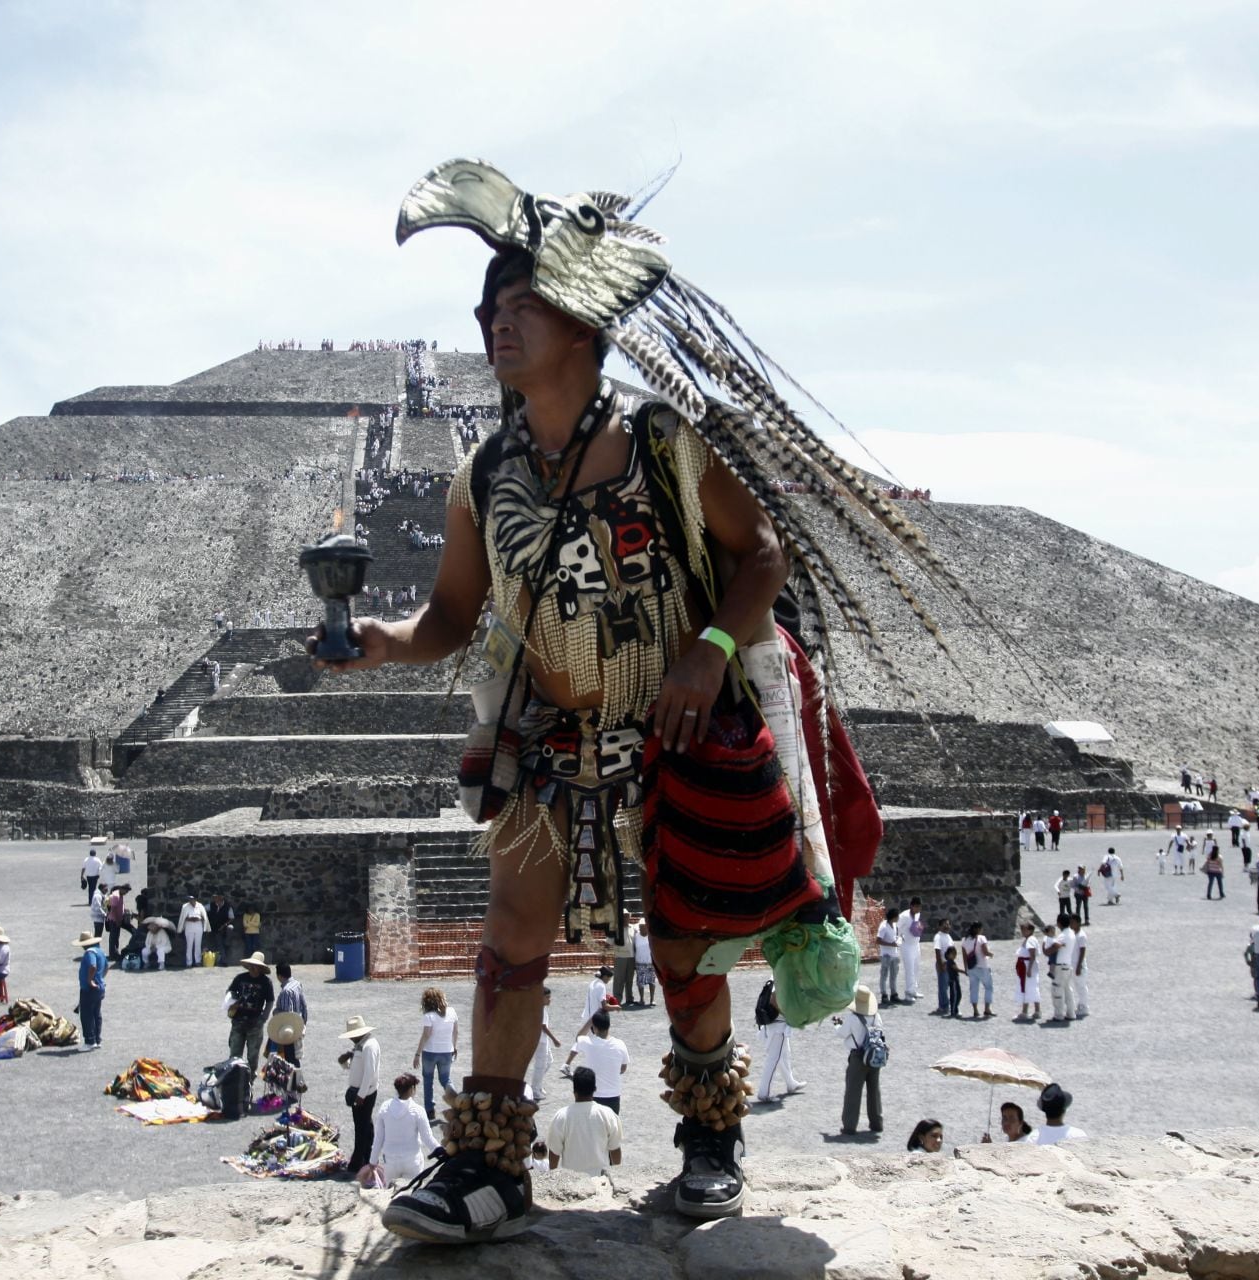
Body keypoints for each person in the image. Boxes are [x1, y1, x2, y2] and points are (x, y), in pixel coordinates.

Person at [361, 159, 913, 1242]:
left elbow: (764, 555)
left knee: (687, 939)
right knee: (512, 936)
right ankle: (486, 1161)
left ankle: (710, 1141)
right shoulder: (479, 475)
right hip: (545, 738)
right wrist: (377, 643)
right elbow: (449, 619)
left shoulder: (665, 443)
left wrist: (710, 648)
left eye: (518, 303)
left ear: (581, 319)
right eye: (486, 308)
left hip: (674, 729)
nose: (493, 323)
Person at [545, 1066, 623, 1176]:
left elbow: (554, 1152)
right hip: (600, 1179)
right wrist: (617, 1175)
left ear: (574, 1091)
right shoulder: (607, 1114)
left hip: (572, 1181)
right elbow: (615, 1148)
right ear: (595, 1089)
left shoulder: (561, 1116)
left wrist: (553, 1176)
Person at [372, 1073, 438, 1184]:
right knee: (411, 1195)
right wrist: (439, 1150)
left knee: (390, 1195)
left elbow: (378, 1138)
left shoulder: (384, 1107)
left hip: (390, 1161)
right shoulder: (418, 1110)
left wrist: (372, 1161)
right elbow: (427, 1138)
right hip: (412, 1161)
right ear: (412, 1089)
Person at [836, 986, 884, 1136]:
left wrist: (837, 1024)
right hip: (874, 1055)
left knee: (853, 1091)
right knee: (874, 1090)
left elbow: (842, 1034)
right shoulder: (876, 1016)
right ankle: (877, 1123)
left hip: (858, 1057)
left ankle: (849, 1126)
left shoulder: (852, 1018)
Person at [564, 1009, 630, 1112]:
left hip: (593, 1096)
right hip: (614, 1095)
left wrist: (591, 1019)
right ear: (609, 1025)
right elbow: (623, 1068)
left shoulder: (588, 1042)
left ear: (594, 1027)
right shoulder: (620, 1044)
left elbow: (578, 1038)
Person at [339, 1016, 381, 1176]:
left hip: (364, 1093)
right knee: (366, 1126)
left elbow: (369, 1073)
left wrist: (361, 1095)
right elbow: (356, 1068)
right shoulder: (361, 1045)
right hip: (361, 1091)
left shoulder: (368, 1047)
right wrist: (344, 1062)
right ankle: (368, 1157)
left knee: (361, 1128)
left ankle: (357, 1162)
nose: (350, 1038)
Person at [225, 951, 275, 1071]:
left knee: (252, 1057)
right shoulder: (240, 978)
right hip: (238, 1022)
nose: (253, 968)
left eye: (255, 966)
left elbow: (270, 1001)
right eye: (251, 965)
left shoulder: (266, 982)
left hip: (255, 1023)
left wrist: (263, 1018)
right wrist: (233, 1002)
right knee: (234, 1054)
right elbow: (229, 992)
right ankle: (234, 1079)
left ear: (260, 968)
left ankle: (249, 1081)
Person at [752, 977, 799, 1103]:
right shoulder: (782, 980)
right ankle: (764, 1093)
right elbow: (774, 999)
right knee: (773, 1059)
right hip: (779, 1026)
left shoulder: (775, 978)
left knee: (784, 1055)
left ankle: (791, 1083)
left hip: (772, 1025)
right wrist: (788, 1013)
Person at [413, 987, 460, 1098]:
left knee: (428, 1081)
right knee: (445, 1079)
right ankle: (457, 1100)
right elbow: (456, 1031)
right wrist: (454, 1047)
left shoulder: (428, 1016)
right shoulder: (452, 1011)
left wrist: (417, 1054)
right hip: (447, 1051)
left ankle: (430, 1109)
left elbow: (426, 1035)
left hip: (430, 1051)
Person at [74, 931, 107, 1051]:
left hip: (90, 989)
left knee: (87, 1014)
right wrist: (100, 978)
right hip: (100, 987)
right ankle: (97, 1039)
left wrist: (90, 981)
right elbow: (106, 967)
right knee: (96, 1014)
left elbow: (93, 966)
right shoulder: (100, 952)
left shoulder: (90, 953)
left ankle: (89, 1041)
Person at [528, 986, 562, 1101]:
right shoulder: (540, 1009)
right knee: (540, 1065)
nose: (549, 999)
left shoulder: (542, 1008)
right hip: (540, 1041)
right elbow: (543, 1027)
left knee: (549, 1061)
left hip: (543, 1040)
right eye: (547, 997)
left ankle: (538, 1085)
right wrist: (555, 1039)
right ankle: (535, 1090)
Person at [272, 961, 308, 1064]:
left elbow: (287, 1015)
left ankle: (297, 1080)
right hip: (298, 1025)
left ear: (279, 976)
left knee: (290, 1059)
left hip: (288, 1031)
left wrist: (275, 1011)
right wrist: (303, 1023)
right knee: (294, 1057)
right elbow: (304, 1005)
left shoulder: (286, 991)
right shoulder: (297, 984)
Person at [1013, 921, 1041, 1021]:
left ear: (1030, 930)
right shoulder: (1028, 939)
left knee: (1027, 988)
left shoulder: (1031, 940)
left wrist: (1029, 969)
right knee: (1031, 987)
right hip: (1025, 965)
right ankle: (1037, 1011)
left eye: (1024, 929)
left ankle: (1025, 1011)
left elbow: (1032, 955)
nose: (1022, 931)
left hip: (1027, 966)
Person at [964, 922, 993, 1019]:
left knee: (974, 989)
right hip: (982, 966)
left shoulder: (965, 940)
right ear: (979, 929)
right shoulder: (981, 938)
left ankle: (975, 1010)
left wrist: (966, 969)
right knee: (988, 987)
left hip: (971, 967)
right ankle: (987, 1009)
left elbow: (964, 956)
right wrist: (991, 954)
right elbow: (985, 952)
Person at [577, 965, 612, 1038]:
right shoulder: (602, 986)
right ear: (605, 976)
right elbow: (604, 1006)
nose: (609, 980)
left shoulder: (593, 983)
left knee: (582, 1042)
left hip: (586, 1018)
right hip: (595, 1021)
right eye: (609, 978)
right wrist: (616, 1007)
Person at [875, 907, 901, 1005]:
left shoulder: (894, 925)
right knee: (884, 975)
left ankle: (894, 994)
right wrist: (891, 944)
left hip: (894, 954)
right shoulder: (883, 926)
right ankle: (884, 995)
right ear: (894, 917)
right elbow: (878, 940)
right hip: (886, 955)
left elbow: (894, 937)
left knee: (894, 975)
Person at [1066, 916, 1090, 1019]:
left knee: (1081, 986)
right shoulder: (1072, 934)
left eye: (1073, 922)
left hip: (1078, 964)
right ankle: (1080, 1005)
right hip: (1073, 963)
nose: (1071, 924)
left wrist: (1079, 966)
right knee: (1077, 985)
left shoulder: (1081, 936)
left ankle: (1084, 1006)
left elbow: (1082, 951)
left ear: (1078, 923)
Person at [900, 899, 924, 1003]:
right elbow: (896, 928)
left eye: (919, 907)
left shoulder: (918, 915)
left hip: (916, 944)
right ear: (911, 906)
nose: (918, 909)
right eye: (916, 907)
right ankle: (908, 993)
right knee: (909, 969)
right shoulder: (904, 916)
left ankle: (914, 990)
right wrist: (900, 938)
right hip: (907, 945)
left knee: (916, 967)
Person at [177, 893, 208, 969]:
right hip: (189, 926)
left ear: (195, 899)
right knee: (189, 945)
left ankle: (198, 961)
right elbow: (183, 917)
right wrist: (189, 919)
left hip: (198, 926)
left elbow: (204, 917)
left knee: (198, 944)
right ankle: (189, 962)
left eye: (192, 899)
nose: (190, 900)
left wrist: (198, 919)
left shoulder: (200, 906)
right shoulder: (185, 906)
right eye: (189, 899)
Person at [208, 893, 238, 966]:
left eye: (216, 898)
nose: (215, 899)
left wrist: (224, 925)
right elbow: (202, 908)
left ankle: (227, 941)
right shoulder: (211, 905)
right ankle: (224, 961)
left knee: (230, 928)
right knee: (220, 944)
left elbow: (232, 918)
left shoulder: (228, 907)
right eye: (214, 898)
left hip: (225, 928)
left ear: (221, 898)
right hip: (216, 929)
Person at [633, 920, 656, 1007]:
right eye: (640, 926)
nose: (642, 928)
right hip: (640, 963)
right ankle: (641, 999)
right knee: (640, 983)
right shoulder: (636, 937)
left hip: (650, 963)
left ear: (647, 927)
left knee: (652, 982)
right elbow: (634, 949)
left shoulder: (651, 936)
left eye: (643, 926)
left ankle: (652, 999)